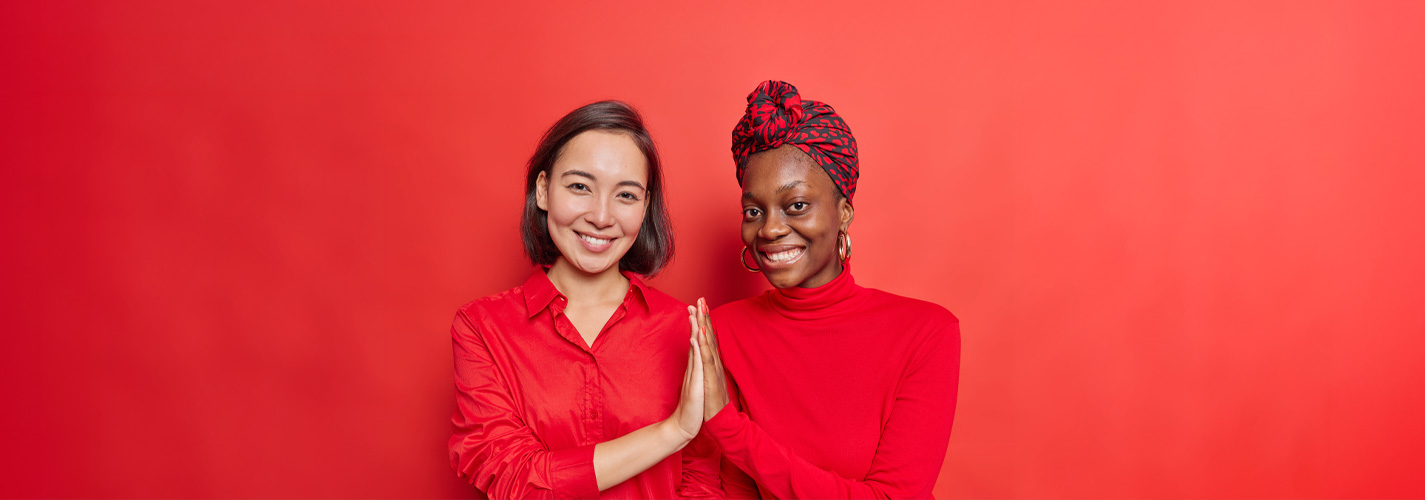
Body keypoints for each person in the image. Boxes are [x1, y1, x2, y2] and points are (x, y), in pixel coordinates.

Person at [693, 81, 961, 499]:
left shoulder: (926, 332)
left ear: (843, 213)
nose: (770, 229)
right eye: (753, 210)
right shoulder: (721, 332)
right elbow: (725, 489)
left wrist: (729, 427)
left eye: (796, 205)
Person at [449, 101, 721, 499]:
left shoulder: (688, 328)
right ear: (543, 190)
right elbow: (516, 481)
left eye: (626, 195)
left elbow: (705, 483)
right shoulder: (481, 327)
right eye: (580, 187)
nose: (601, 216)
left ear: (645, 207)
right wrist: (673, 431)